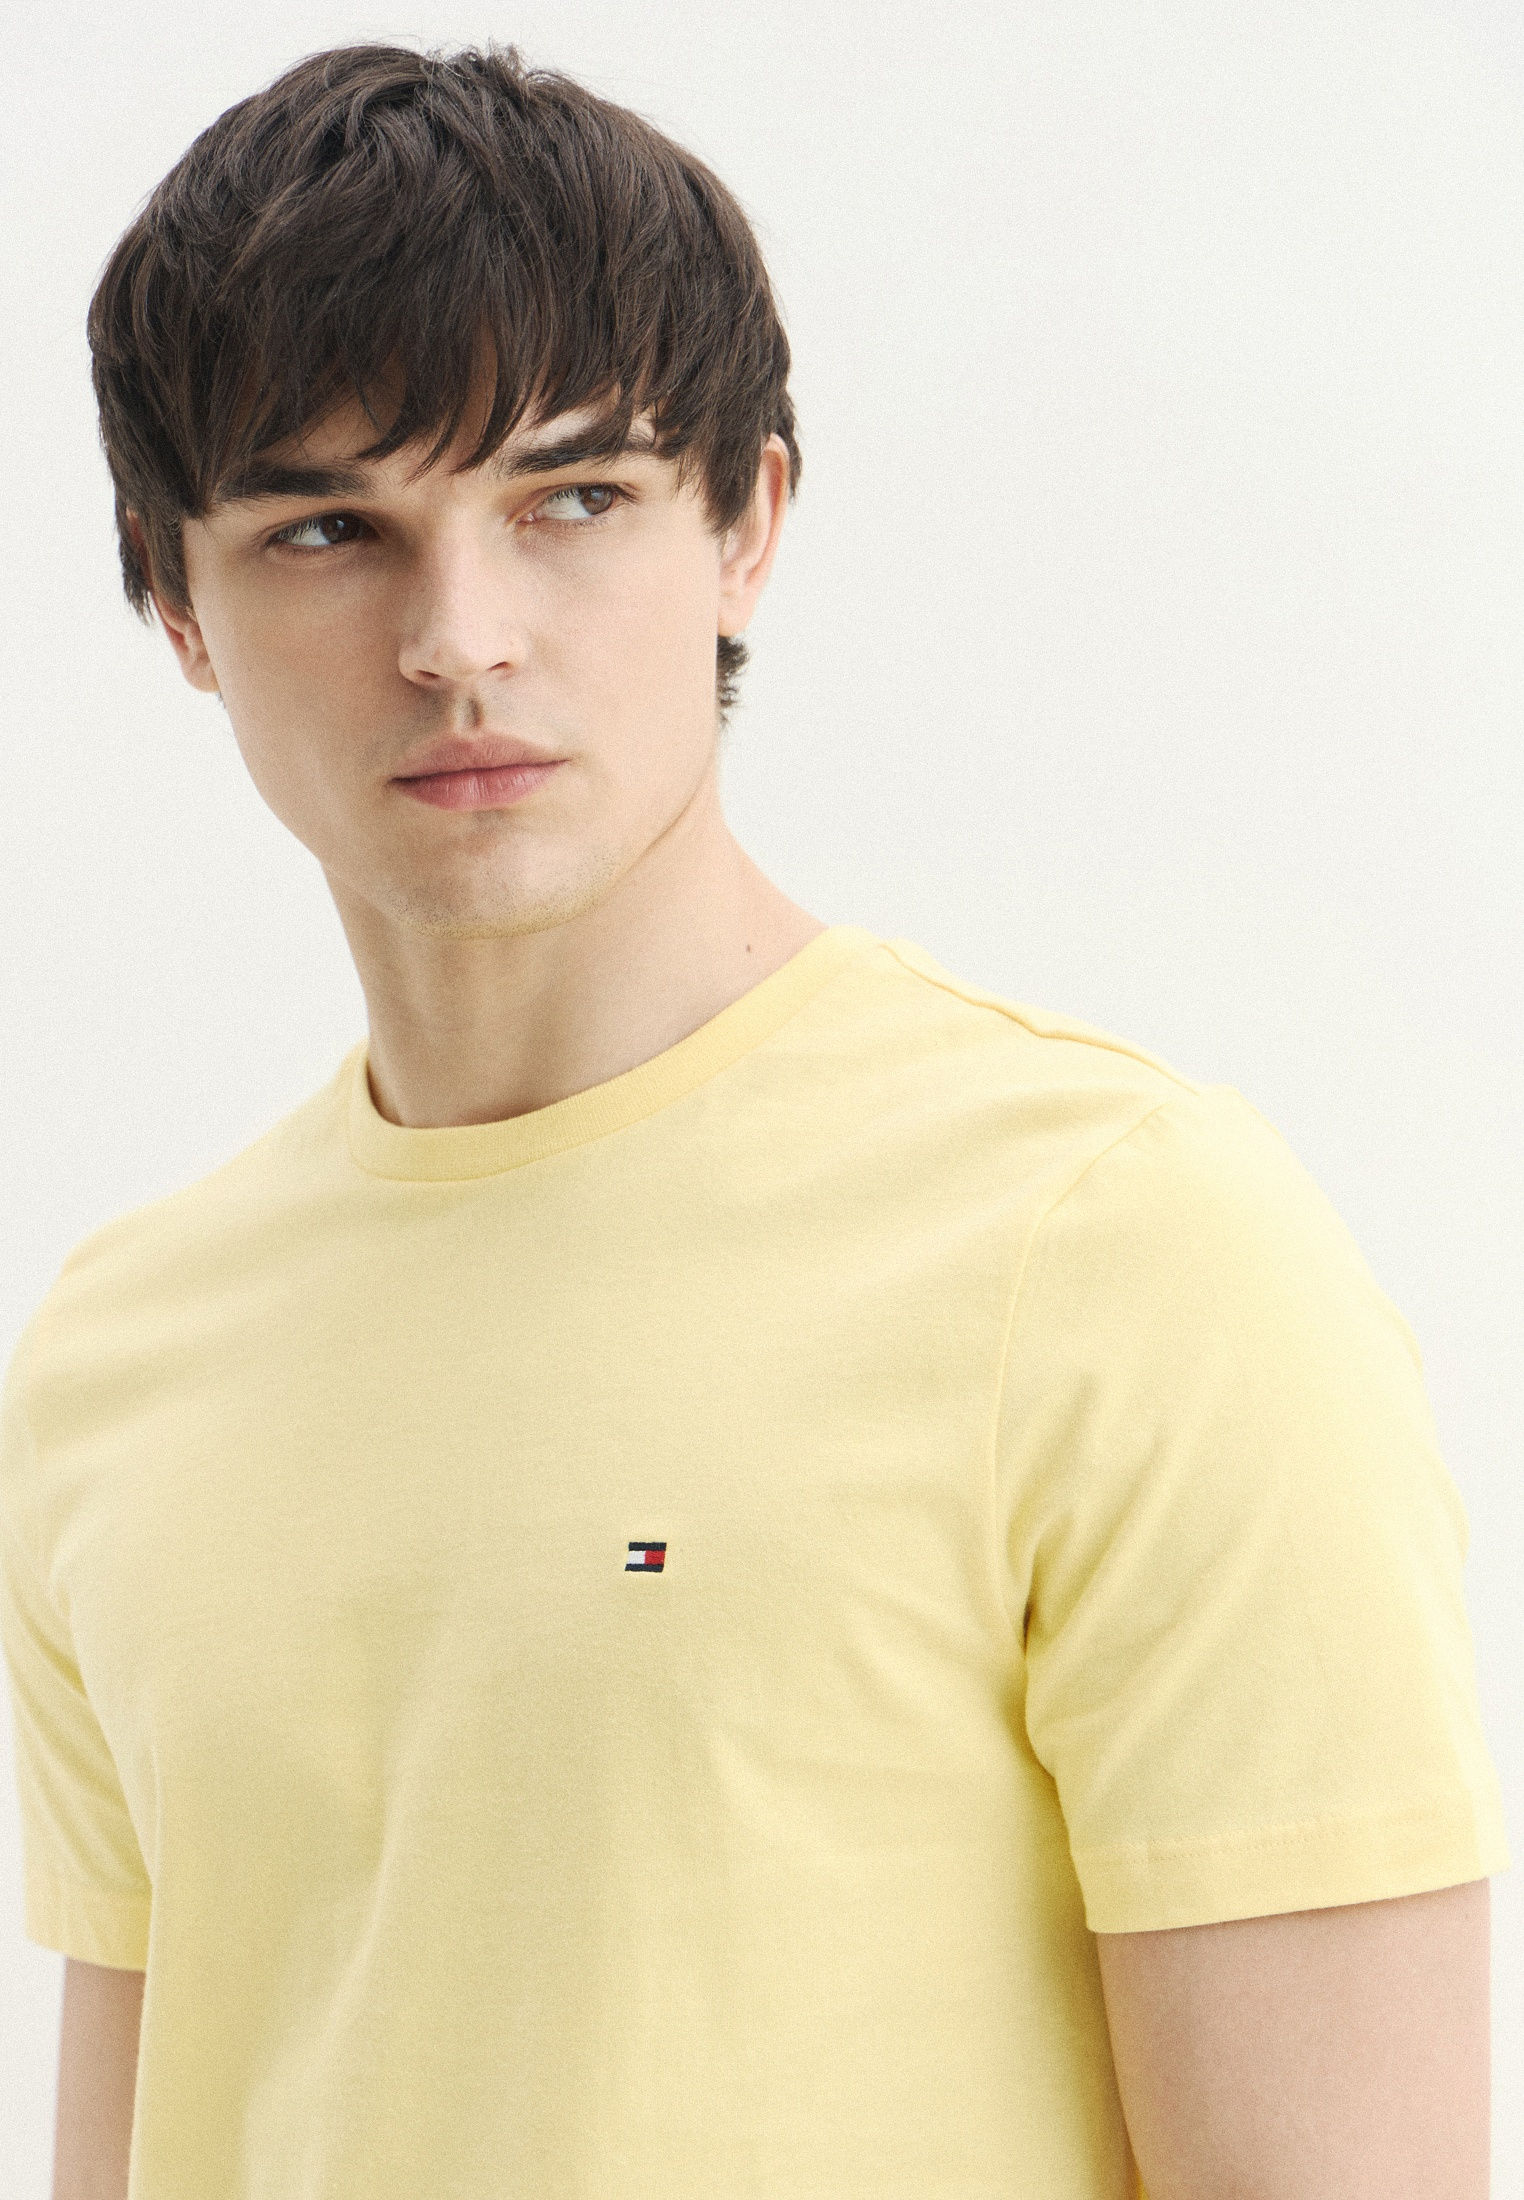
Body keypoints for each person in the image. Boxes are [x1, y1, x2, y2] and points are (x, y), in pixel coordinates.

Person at [0, 40, 1507, 2200]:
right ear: (175, 603)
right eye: (330, 529)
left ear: (749, 524)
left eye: (572, 500)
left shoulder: (1116, 1245)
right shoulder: (113, 1355)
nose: (458, 640)